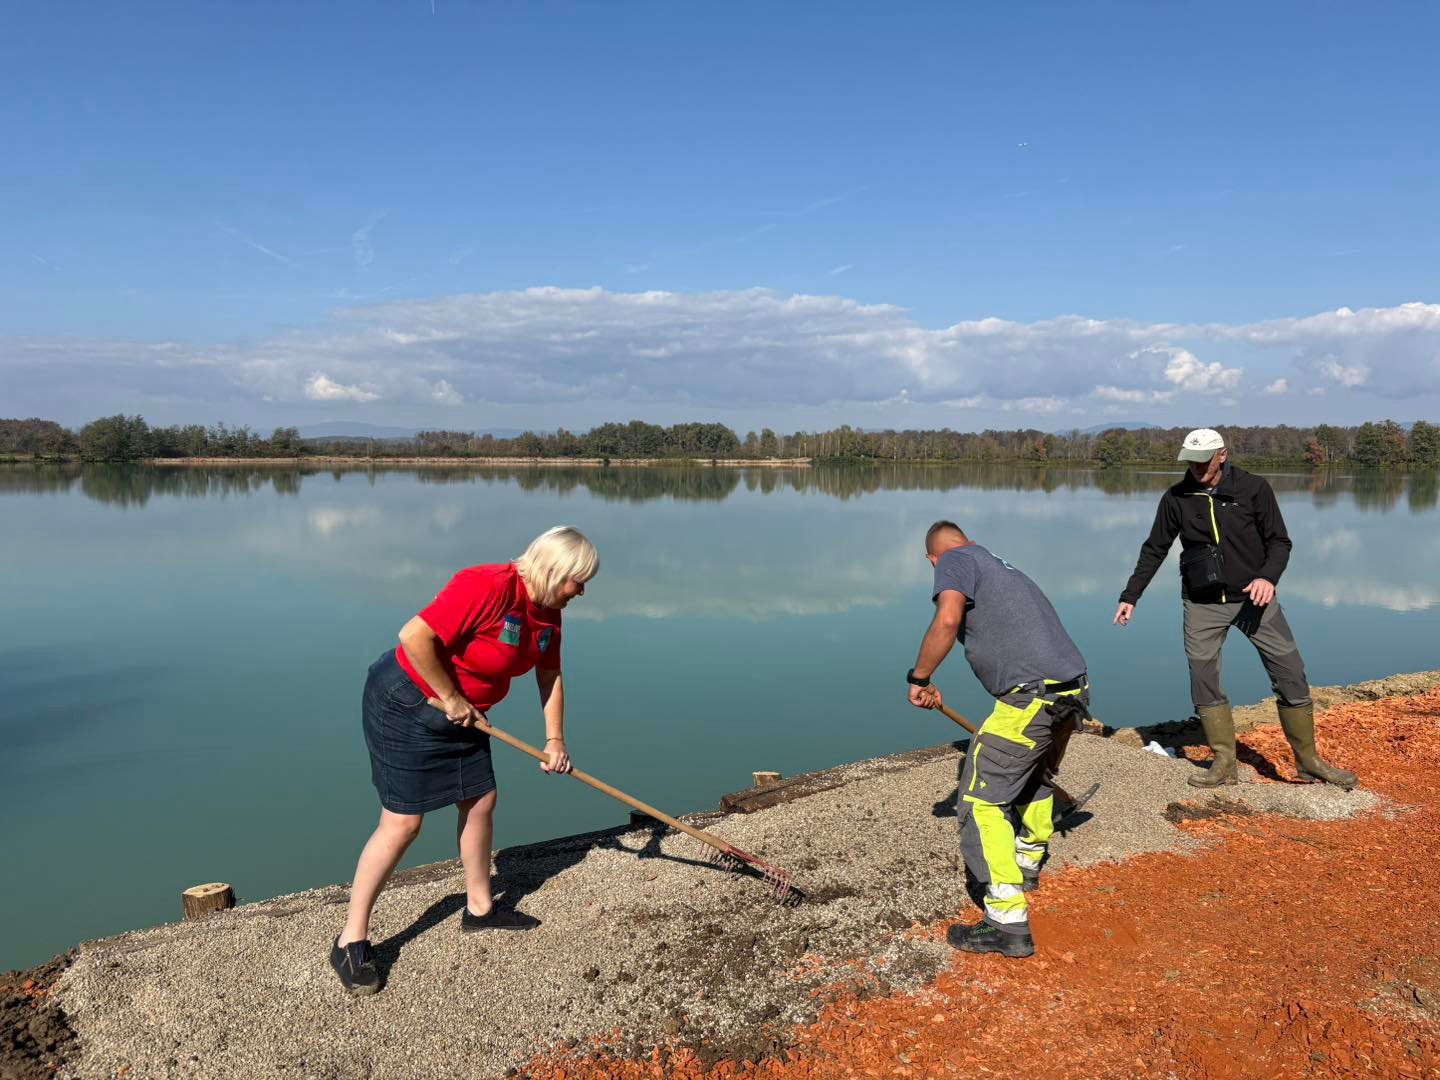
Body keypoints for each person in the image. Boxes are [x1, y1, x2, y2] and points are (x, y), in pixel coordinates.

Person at [330, 525, 599, 994]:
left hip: (465, 713)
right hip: (408, 701)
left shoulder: (549, 611)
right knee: (403, 823)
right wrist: (451, 696)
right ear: (555, 570)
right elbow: (414, 637)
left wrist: (554, 739)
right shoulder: (488, 584)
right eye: (578, 579)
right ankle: (350, 940)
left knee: (480, 800)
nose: (583, 590)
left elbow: (549, 674)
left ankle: (480, 909)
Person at [1114, 428, 1355, 791]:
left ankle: (1309, 762)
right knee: (1203, 679)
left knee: (1290, 674)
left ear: (1222, 455)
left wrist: (1267, 578)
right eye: (1190, 462)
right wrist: (1131, 595)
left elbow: (1279, 541)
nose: (1196, 468)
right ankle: (1224, 763)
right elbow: (1155, 549)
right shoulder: (1177, 497)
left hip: (1254, 600)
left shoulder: (1253, 488)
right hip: (1202, 603)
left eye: (1203, 461)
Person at [906, 521, 1089, 959]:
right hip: (1071, 688)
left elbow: (948, 618)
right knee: (1035, 772)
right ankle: (1027, 860)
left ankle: (1006, 920)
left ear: (932, 557)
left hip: (1030, 698)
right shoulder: (999, 565)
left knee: (981, 800)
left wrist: (920, 676)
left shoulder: (953, 560)